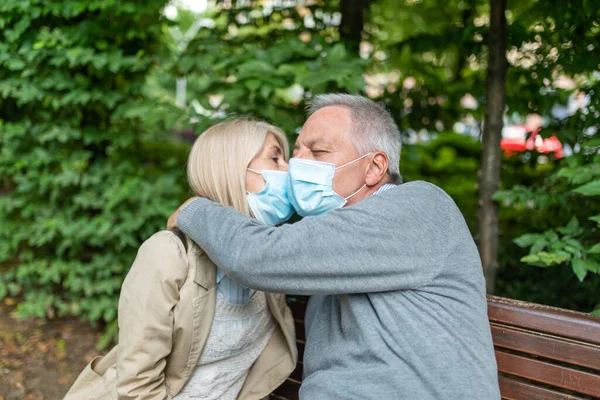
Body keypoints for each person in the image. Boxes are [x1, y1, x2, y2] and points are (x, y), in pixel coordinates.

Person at [170, 94, 501, 399]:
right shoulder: (333, 241)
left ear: (374, 167)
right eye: (295, 152)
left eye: (318, 152)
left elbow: (256, 257)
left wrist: (194, 209)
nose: (297, 165)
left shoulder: (419, 207)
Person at [64, 119, 297, 400]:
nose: (289, 170)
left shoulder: (269, 257)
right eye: (275, 158)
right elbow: (137, 388)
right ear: (231, 170)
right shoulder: (167, 254)